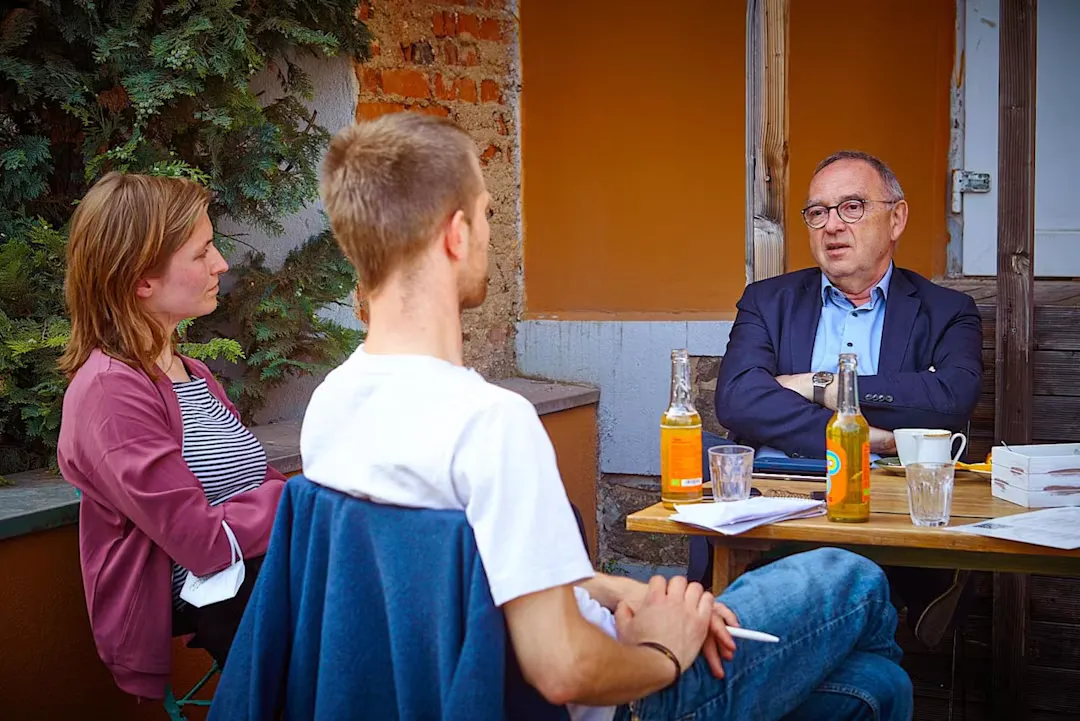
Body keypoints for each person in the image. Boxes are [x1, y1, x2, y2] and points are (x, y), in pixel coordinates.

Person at [300, 113, 913, 720]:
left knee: (873, 684)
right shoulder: (491, 424)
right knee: (850, 575)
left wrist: (626, 588)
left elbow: (477, 576)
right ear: (456, 235)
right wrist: (665, 650)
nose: (493, 232)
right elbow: (565, 669)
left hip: (508, 665)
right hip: (632, 695)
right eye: (488, 214)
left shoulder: (330, 406)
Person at [701, 150, 984, 647]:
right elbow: (739, 398)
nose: (832, 226)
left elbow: (950, 399)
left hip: (887, 512)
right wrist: (868, 439)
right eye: (818, 212)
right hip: (775, 501)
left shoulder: (947, 312)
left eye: (852, 207)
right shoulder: (767, 301)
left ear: (895, 218)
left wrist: (819, 384)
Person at [56, 172, 286, 700]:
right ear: (142, 280)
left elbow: (259, 481)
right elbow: (201, 543)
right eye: (202, 251)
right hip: (212, 594)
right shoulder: (110, 392)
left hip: (260, 574)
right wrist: (304, 497)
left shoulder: (192, 373)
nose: (221, 264)